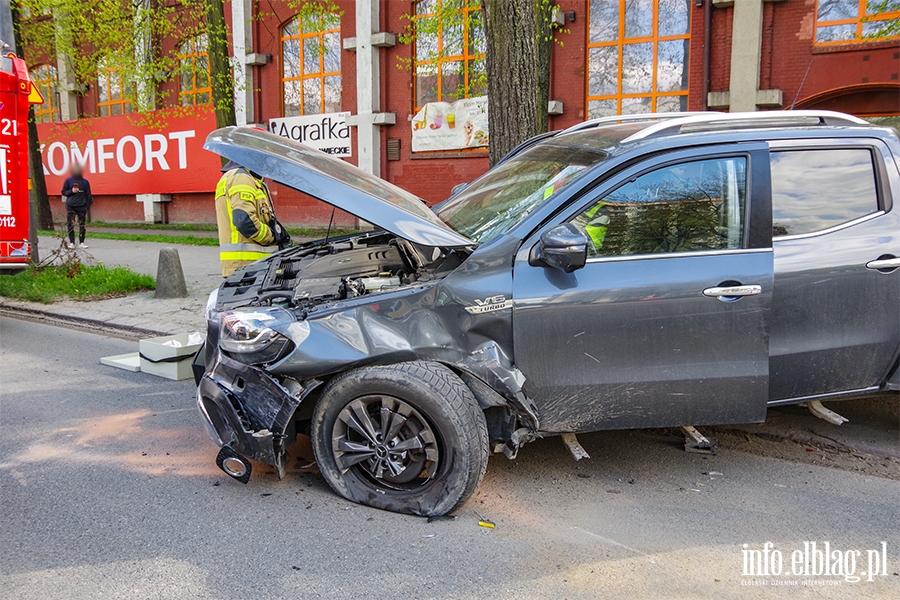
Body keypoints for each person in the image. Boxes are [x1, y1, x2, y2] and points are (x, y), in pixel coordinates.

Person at [215, 161, 291, 277]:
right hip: (247, 266)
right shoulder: (241, 177)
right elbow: (245, 221)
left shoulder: (250, 178)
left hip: (250, 265)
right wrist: (272, 236)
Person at [61, 164, 93, 249]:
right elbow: (64, 192)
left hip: (82, 206)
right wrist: (71, 191)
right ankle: (72, 242)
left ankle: (81, 242)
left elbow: (88, 195)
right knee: (70, 224)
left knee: (82, 224)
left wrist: (87, 206)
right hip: (71, 206)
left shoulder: (85, 182)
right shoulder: (68, 181)